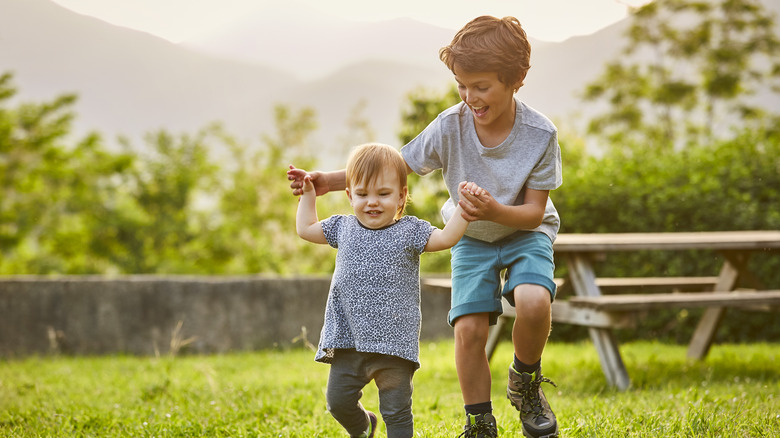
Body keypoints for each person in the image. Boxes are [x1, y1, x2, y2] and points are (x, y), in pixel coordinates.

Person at [289, 15, 562, 438]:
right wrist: (328, 181)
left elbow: (532, 212)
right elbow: (395, 165)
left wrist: (492, 210)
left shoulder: (539, 134)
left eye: (481, 86)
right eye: (462, 86)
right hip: (470, 236)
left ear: (516, 80)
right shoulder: (449, 125)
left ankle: (524, 381)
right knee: (469, 328)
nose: (470, 97)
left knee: (532, 302)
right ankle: (479, 422)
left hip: (525, 232)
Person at [296, 143, 482, 438]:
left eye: (383, 194)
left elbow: (446, 238)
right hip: (348, 341)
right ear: (349, 195)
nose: (372, 202)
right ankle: (363, 426)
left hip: (394, 345)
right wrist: (308, 195)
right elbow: (306, 229)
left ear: (401, 196)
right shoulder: (342, 228)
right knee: (338, 402)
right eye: (362, 194)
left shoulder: (410, 231)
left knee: (396, 412)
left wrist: (463, 210)